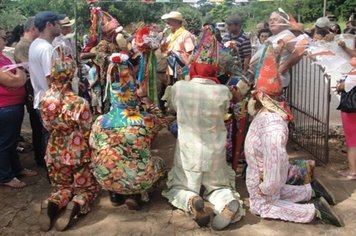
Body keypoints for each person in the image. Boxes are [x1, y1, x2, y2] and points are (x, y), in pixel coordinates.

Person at [244, 44, 344, 227]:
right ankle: (309, 191)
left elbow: (274, 161)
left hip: (265, 178)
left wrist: (266, 187)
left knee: (261, 207)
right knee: (278, 192)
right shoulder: (265, 116)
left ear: (261, 98)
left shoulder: (271, 125)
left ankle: (314, 210)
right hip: (262, 176)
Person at [162, 27, 244, 230]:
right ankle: (225, 202)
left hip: (188, 150)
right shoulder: (223, 91)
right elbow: (227, 111)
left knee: (180, 186)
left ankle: (191, 200)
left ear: (194, 66)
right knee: (219, 186)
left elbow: (171, 108)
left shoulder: (179, 88)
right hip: (214, 151)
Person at [90, 52, 166, 210]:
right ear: (134, 96)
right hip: (138, 177)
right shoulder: (146, 119)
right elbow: (162, 121)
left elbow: (94, 145)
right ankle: (137, 194)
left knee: (107, 159)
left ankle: (115, 194)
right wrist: (148, 102)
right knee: (159, 164)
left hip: (106, 176)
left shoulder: (100, 121)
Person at [38, 47, 99, 231]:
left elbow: (47, 126)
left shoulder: (45, 100)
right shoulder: (79, 102)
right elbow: (87, 130)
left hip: (54, 149)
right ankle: (78, 202)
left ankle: (54, 201)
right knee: (86, 187)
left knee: (61, 185)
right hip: (77, 150)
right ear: (71, 75)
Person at [0, 29, 37, 189]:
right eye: (3, 37)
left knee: (12, 140)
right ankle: (5, 176)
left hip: (13, 105)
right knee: (5, 142)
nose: (6, 40)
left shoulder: (3, 57)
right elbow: (15, 81)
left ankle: (17, 169)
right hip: (5, 106)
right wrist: (20, 72)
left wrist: (19, 74)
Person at [28, 11, 65, 168]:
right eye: (58, 23)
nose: (61, 26)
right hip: (51, 102)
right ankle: (56, 175)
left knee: (49, 139)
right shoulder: (46, 49)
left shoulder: (36, 44)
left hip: (43, 99)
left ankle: (54, 173)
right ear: (49, 25)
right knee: (54, 141)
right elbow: (53, 80)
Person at [14, 17, 43, 167]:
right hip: (32, 91)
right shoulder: (23, 46)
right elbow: (29, 69)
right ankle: (40, 157)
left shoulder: (29, 45)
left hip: (34, 89)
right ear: (33, 29)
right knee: (38, 125)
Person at [336, 41, 356, 179]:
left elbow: (343, 86)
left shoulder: (353, 75)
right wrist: (345, 48)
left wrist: (339, 85)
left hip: (351, 109)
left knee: (352, 141)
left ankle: (352, 171)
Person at [161, 11, 195, 83]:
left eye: (169, 21)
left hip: (180, 70)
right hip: (169, 69)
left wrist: (185, 69)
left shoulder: (185, 34)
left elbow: (191, 53)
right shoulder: (171, 35)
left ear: (176, 22)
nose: (167, 23)